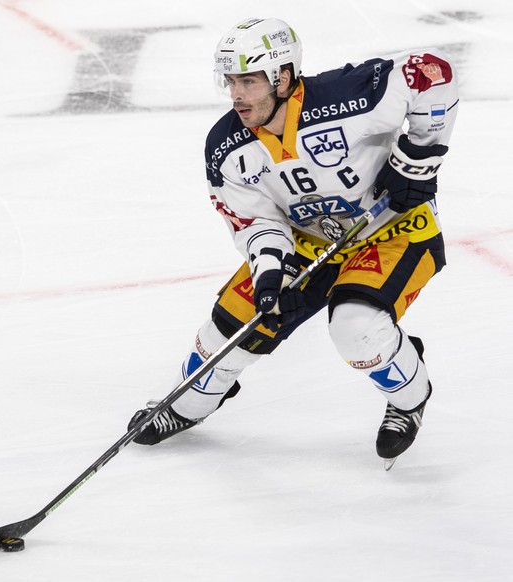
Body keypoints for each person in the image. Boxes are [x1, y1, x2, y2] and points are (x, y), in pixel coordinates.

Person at [128, 17, 458, 466]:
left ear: (283, 77)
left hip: (392, 229)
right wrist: (269, 270)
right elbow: (254, 220)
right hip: (307, 240)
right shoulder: (227, 147)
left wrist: (416, 162)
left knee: (356, 329)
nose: (236, 95)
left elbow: (431, 74)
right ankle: (188, 406)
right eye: (231, 81)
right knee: (230, 327)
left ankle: (409, 398)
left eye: (248, 80)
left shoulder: (348, 96)